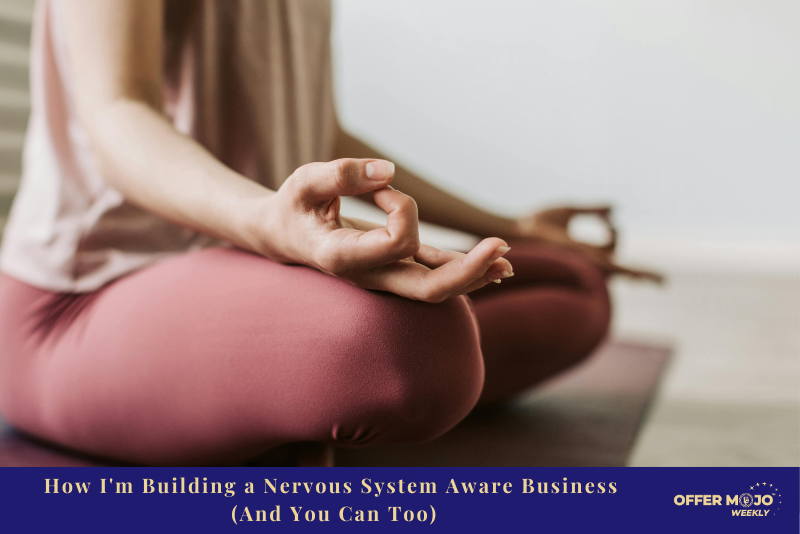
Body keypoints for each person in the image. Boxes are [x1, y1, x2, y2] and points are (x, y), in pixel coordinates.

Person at [0, 0, 658, 466]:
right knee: (414, 348)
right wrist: (274, 226)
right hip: (84, 298)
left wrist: (512, 228)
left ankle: (280, 400)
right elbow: (118, 110)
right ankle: (295, 392)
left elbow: (319, 131)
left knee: (573, 286)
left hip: (244, 263)